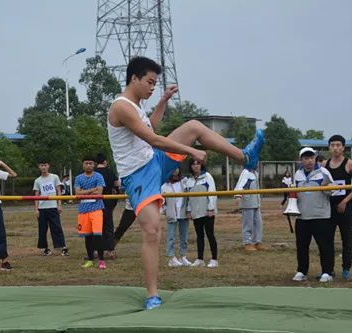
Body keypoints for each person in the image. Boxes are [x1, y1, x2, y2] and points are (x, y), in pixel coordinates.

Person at [107, 56, 264, 309]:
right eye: (149, 82)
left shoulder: (136, 106)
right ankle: (152, 295)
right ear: (133, 78)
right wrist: (191, 152)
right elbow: (153, 138)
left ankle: (245, 157)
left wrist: (162, 102)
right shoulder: (121, 106)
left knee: (193, 126)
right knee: (152, 231)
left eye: (155, 84)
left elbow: (151, 127)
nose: (151, 87)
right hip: (138, 175)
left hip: (153, 160)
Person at [291, 147, 335, 283]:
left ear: (315, 158)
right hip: (302, 216)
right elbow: (294, 193)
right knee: (302, 246)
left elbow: (333, 191)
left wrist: (327, 187)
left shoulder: (324, 172)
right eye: (306, 158)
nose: (309, 161)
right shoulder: (297, 174)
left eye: (311, 158)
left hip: (321, 216)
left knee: (324, 245)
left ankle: (327, 272)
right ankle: (302, 271)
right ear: (301, 160)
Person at [324, 135, 352, 280]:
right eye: (332, 145)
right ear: (329, 147)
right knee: (328, 240)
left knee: (346, 240)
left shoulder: (350, 164)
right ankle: (329, 270)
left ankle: (346, 268)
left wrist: (345, 201)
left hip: (345, 207)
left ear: (343, 148)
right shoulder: (324, 164)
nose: (335, 148)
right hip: (329, 208)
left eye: (338, 145)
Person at [75, 155, 106, 269]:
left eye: (90, 163)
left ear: (94, 164)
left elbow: (99, 192)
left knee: (98, 235)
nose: (88, 165)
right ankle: (90, 259)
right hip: (83, 210)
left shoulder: (99, 176)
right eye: (86, 163)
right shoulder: (78, 178)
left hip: (96, 208)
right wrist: (92, 190)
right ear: (83, 165)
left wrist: (85, 192)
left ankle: (101, 260)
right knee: (88, 236)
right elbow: (78, 193)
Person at [185, 160, 218, 267]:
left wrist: (211, 208)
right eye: (193, 164)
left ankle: (214, 260)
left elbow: (212, 193)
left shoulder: (207, 176)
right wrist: (189, 210)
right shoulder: (189, 180)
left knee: (210, 235)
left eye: (198, 164)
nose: (196, 166)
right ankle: (200, 259)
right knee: (199, 236)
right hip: (196, 213)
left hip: (207, 212)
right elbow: (188, 198)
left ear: (201, 165)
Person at [33, 159, 69, 256]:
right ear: (39, 167)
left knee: (56, 227)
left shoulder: (54, 177)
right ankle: (45, 248)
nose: (44, 167)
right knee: (42, 229)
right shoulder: (37, 180)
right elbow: (36, 195)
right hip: (42, 208)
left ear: (48, 166)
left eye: (45, 165)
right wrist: (36, 209)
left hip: (53, 207)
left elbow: (59, 191)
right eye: (41, 165)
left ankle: (62, 247)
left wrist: (59, 204)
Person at [161, 168, 191, 267]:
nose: (175, 170)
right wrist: (165, 211)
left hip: (183, 214)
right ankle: (171, 258)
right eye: (172, 168)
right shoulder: (164, 186)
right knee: (171, 237)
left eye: (176, 168)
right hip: (172, 214)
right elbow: (162, 202)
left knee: (184, 237)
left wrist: (188, 210)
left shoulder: (185, 182)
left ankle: (183, 256)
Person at [94, 153, 119, 259]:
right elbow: (117, 184)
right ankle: (110, 250)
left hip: (94, 201)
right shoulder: (110, 172)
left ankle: (95, 250)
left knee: (95, 226)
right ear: (105, 161)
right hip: (107, 201)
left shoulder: (93, 173)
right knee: (108, 225)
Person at [234, 166, 263, 251]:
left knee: (258, 223)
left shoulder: (255, 173)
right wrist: (238, 195)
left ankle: (257, 242)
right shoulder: (245, 172)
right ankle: (247, 242)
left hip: (256, 202)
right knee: (248, 224)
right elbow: (240, 185)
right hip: (248, 202)